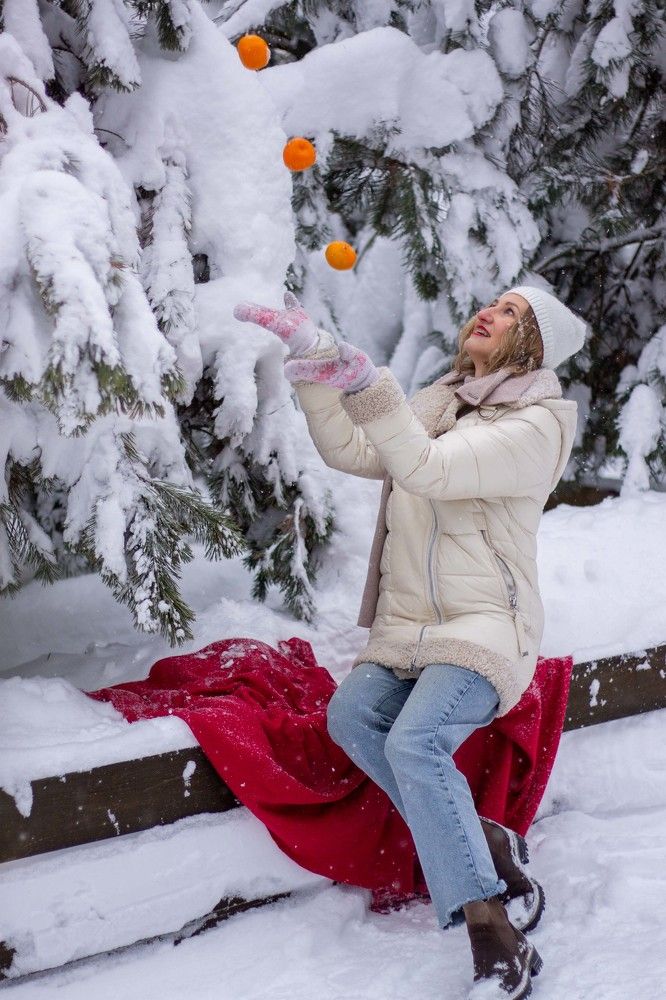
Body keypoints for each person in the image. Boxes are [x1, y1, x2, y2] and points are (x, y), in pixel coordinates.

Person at [234, 286, 586, 999]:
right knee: (351, 719)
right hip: (407, 627)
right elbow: (359, 451)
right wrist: (318, 372)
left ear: (535, 345)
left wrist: (366, 381)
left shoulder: (538, 423)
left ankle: (494, 934)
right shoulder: (443, 398)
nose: (491, 313)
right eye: (494, 303)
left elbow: (429, 467)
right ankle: (486, 842)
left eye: (514, 314)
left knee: (413, 742)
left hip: (486, 624)